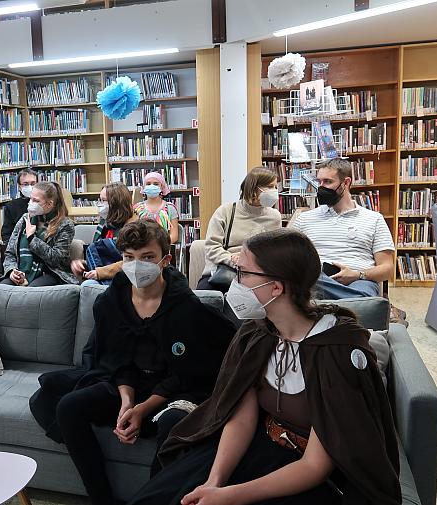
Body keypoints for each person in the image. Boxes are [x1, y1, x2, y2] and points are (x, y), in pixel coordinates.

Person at [127, 229, 401, 505]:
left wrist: (228, 496)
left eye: (243, 273)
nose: (235, 282)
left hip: (305, 473)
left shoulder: (336, 352)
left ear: (276, 287)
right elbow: (242, 419)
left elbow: (315, 466)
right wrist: (214, 482)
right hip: (261, 444)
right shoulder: (257, 335)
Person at [32, 220, 235, 505]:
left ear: (166, 260)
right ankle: (102, 499)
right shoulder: (112, 300)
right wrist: (127, 402)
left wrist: (143, 408)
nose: (137, 265)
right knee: (68, 406)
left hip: (172, 390)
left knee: (174, 423)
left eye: (148, 257)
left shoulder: (185, 308)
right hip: (127, 383)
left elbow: (186, 373)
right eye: (129, 257)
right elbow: (115, 358)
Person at [290, 158, 395, 299]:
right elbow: (288, 258)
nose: (321, 187)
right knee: (308, 279)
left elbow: (387, 269)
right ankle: (351, 302)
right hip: (318, 279)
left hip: (358, 281)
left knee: (362, 295)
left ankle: (345, 302)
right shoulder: (304, 219)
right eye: (319, 182)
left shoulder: (374, 219)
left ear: (346, 183)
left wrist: (358, 274)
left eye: (327, 182)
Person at [197, 167, 282, 292]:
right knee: (205, 297)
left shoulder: (274, 217)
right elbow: (211, 247)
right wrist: (232, 259)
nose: (274, 191)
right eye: (269, 187)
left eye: (275, 187)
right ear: (253, 188)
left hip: (257, 274)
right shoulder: (225, 211)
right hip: (223, 271)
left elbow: (274, 252)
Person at [1, 181, 76, 287]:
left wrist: (32, 238)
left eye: (36, 201)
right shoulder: (25, 219)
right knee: (1, 288)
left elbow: (56, 259)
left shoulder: (65, 225)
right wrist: (12, 271)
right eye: (30, 199)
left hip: (50, 273)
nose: (30, 203)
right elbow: (10, 252)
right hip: (21, 271)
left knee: (31, 291)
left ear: (49, 204)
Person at [70, 182, 137, 285]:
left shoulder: (133, 228)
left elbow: (132, 262)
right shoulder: (104, 224)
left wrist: (100, 272)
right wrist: (83, 264)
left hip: (125, 278)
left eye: (103, 200)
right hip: (103, 275)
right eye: (99, 200)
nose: (99, 204)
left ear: (117, 203)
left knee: (88, 285)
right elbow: (102, 257)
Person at [133, 171, 179, 244]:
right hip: (142, 247)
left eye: (156, 184)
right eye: (148, 184)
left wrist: (160, 246)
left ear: (162, 187)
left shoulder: (170, 208)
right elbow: (134, 233)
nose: (152, 186)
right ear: (143, 187)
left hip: (163, 246)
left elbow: (174, 235)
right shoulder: (137, 209)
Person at [1, 169, 39, 243]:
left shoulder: (44, 203)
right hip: (18, 245)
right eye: (25, 184)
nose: (30, 187)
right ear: (19, 186)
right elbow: (6, 233)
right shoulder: (11, 206)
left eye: (33, 183)